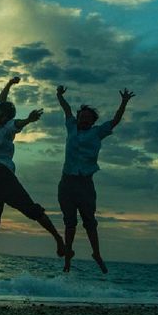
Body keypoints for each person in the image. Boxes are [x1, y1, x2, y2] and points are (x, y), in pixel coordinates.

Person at [0, 76, 67, 276]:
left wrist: (28, 119)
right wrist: (9, 84)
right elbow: (1, 101)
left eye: (0, 116)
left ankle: (58, 239)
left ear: (6, 118)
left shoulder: (8, 128)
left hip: (3, 176)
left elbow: (17, 124)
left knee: (30, 209)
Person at [56, 85, 135, 273]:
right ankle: (68, 258)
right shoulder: (71, 127)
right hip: (67, 182)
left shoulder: (98, 132)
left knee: (89, 221)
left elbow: (115, 120)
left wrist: (123, 102)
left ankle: (96, 253)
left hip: (85, 183)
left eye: (87, 118)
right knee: (69, 222)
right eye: (81, 117)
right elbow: (66, 109)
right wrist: (59, 95)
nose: (83, 120)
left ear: (92, 121)